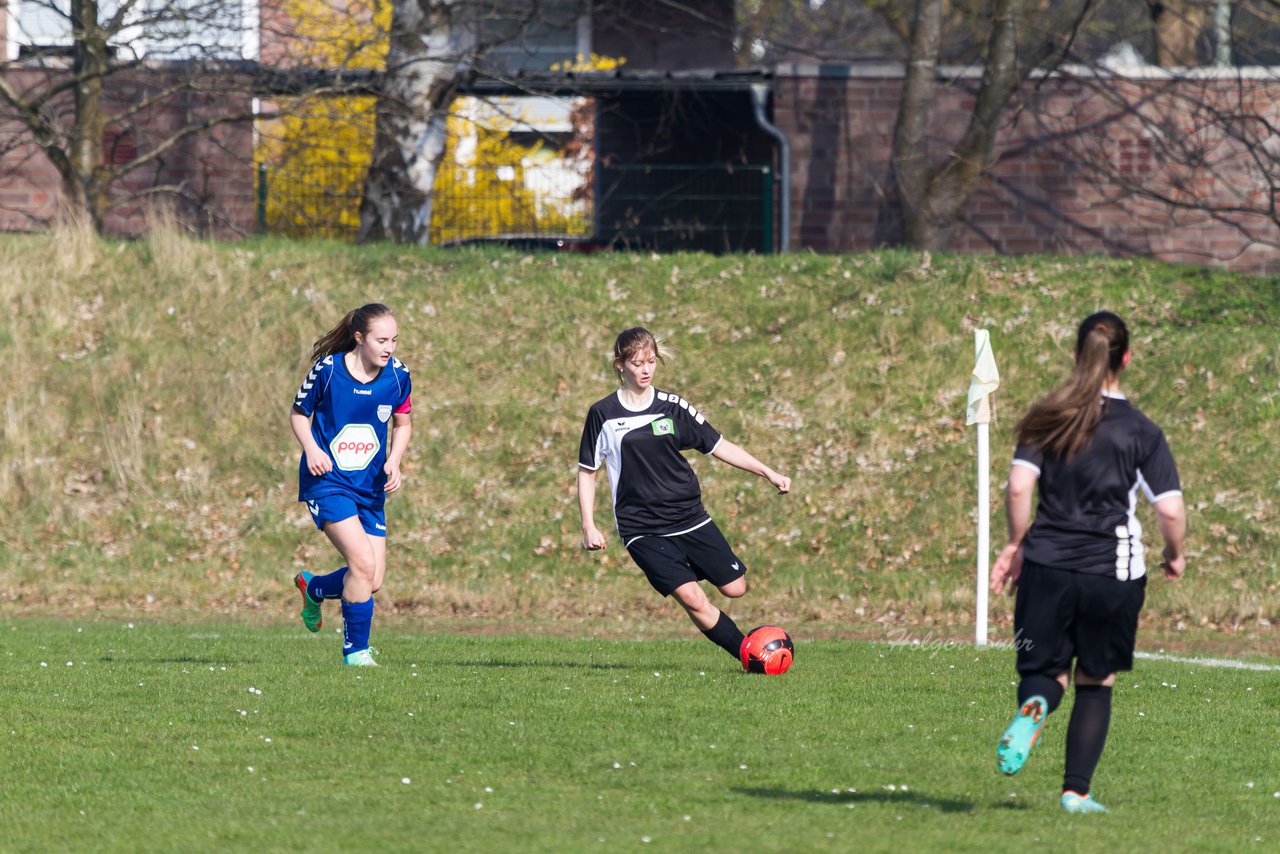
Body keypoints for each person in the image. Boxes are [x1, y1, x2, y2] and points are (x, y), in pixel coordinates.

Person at [990, 311, 1186, 814]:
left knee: (1045, 671)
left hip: (1047, 566)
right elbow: (1169, 509)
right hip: (1111, 574)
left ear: (1077, 355)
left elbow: (1017, 486)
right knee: (1095, 682)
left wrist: (1015, 544)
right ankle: (1076, 793)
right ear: (1126, 359)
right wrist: (1174, 551)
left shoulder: (1047, 415)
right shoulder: (1141, 431)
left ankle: (1034, 708)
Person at [577, 327, 791, 666]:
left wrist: (767, 471)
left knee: (736, 588)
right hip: (642, 527)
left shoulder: (673, 407)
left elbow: (718, 445)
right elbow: (587, 471)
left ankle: (686, 568)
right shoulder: (603, 414)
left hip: (689, 517)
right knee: (692, 598)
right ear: (620, 365)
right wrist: (588, 525)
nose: (645, 370)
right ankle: (748, 655)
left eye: (651, 362)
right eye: (637, 363)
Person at [289, 303, 413, 667]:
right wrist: (311, 449)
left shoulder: (398, 376)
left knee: (371, 579)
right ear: (359, 338)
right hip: (327, 482)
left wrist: (395, 460)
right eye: (381, 340)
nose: (389, 347)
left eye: (394, 340)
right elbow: (299, 413)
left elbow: (403, 423)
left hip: (370, 487)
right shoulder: (328, 371)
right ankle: (356, 653)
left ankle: (313, 588)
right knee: (361, 563)